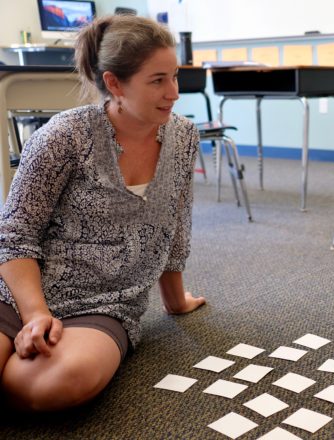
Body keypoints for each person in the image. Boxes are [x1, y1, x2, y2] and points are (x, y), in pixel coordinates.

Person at [0, 15, 206, 411]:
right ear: (114, 84)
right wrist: (35, 316)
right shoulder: (64, 136)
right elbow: (14, 234)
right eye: (157, 80)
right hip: (20, 292)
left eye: (175, 76)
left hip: (104, 302)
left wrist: (176, 301)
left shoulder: (182, 136)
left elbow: (175, 227)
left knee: (58, 380)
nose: (174, 92)